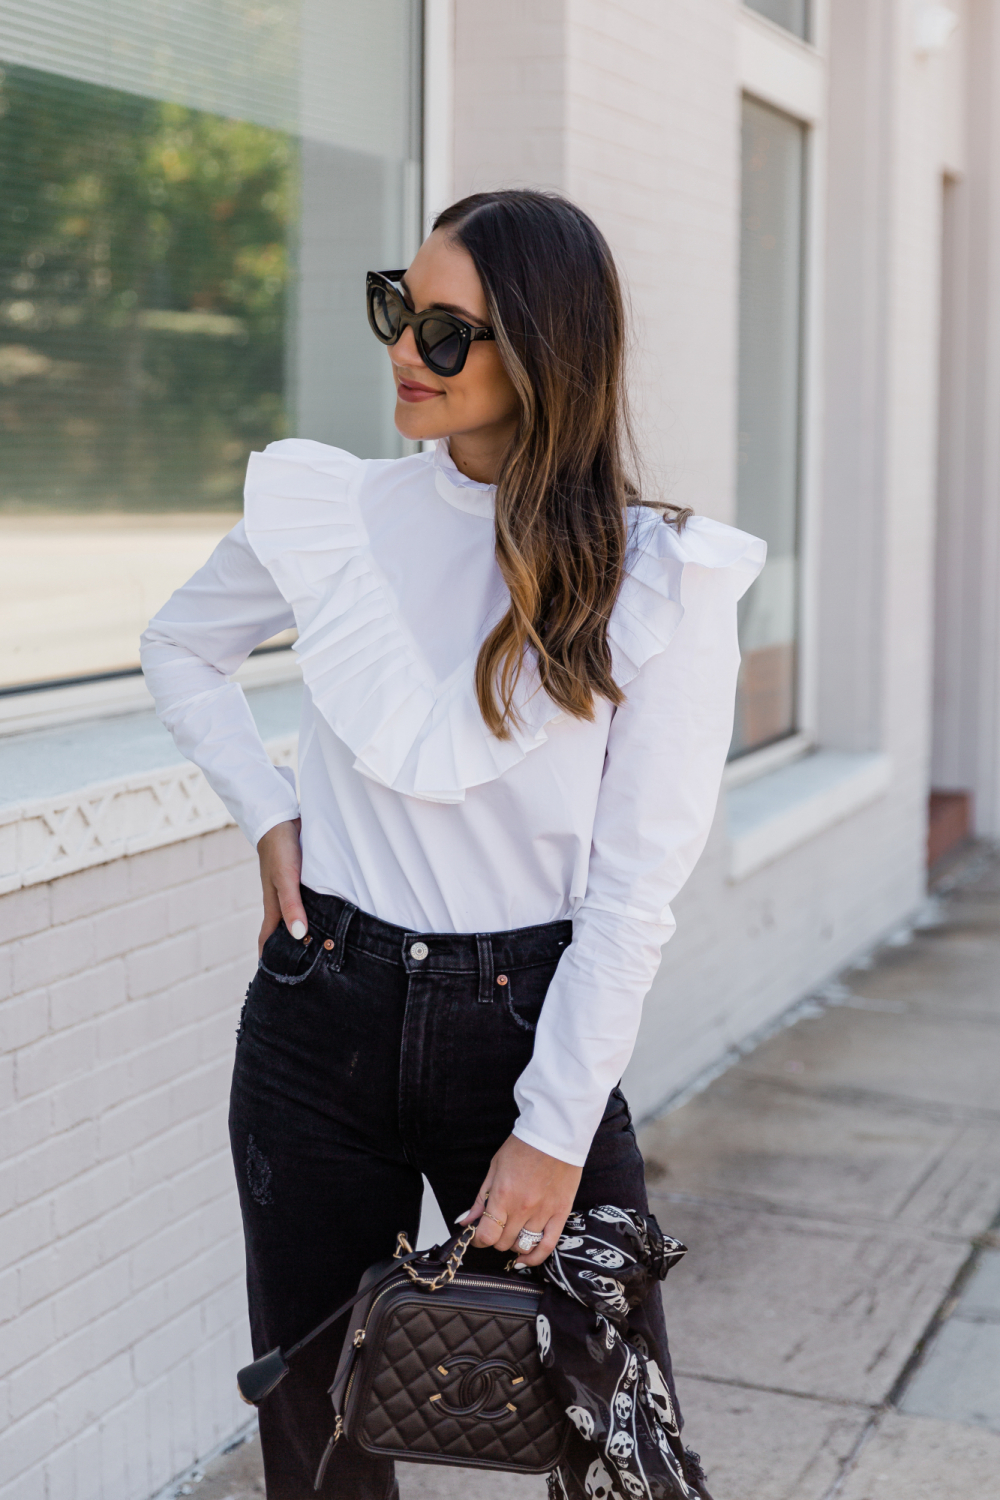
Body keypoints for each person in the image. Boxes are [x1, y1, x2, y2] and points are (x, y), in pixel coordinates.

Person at [141, 189, 764, 1499]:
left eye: (444, 332)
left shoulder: (656, 575)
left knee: (617, 1436)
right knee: (319, 1442)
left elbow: (636, 886)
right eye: (395, 310)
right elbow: (179, 647)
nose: (402, 356)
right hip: (324, 1018)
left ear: (546, 351)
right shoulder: (337, 512)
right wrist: (269, 811)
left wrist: (549, 1131)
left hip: (531, 1020)